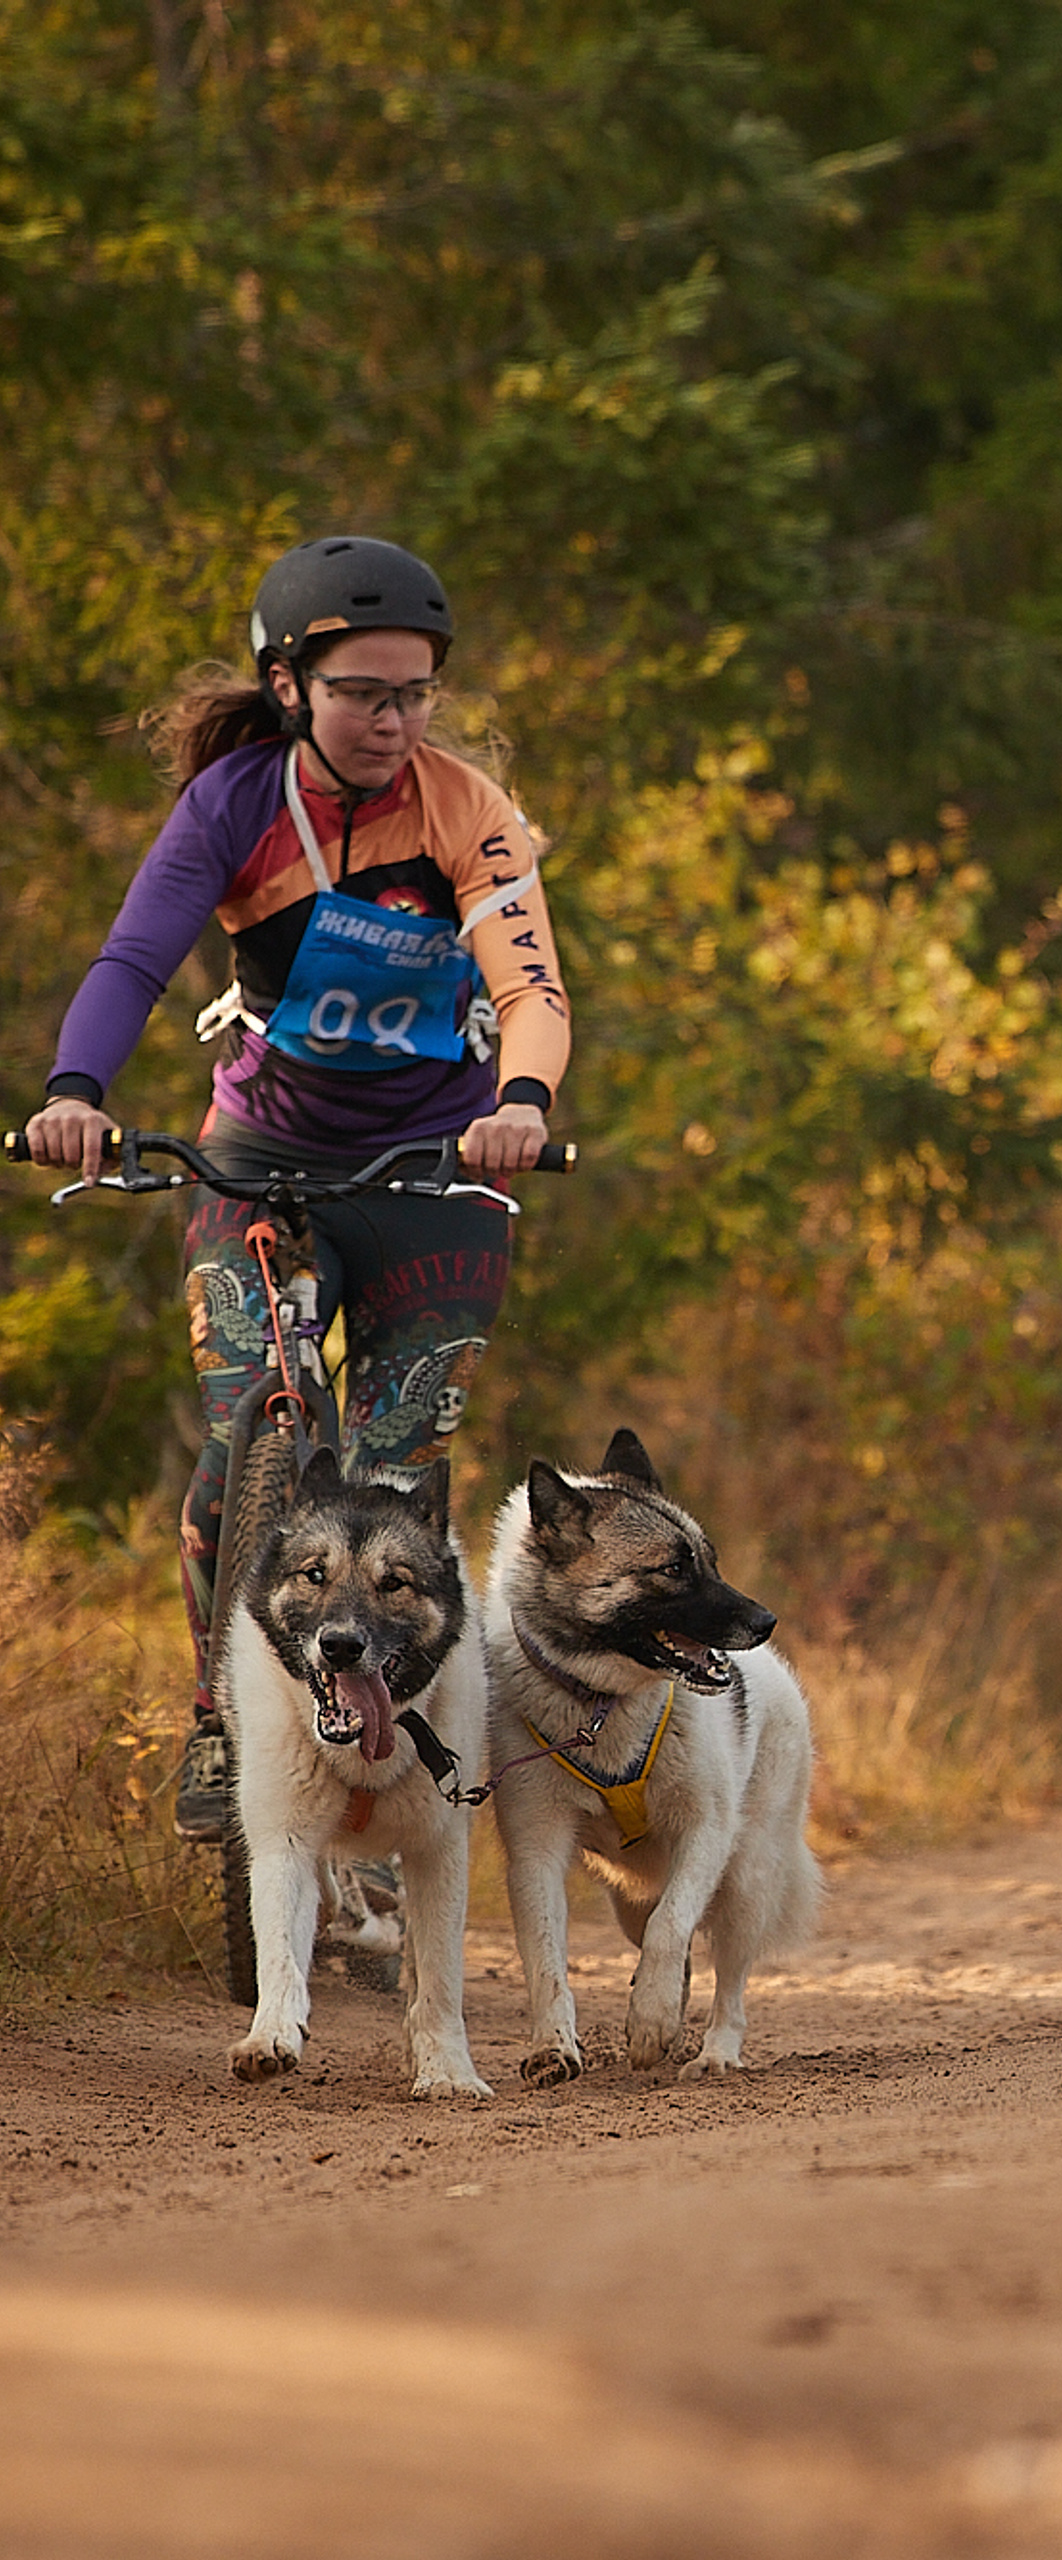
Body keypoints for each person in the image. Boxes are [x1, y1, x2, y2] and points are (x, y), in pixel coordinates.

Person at [23, 537, 571, 1833]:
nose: (394, 720)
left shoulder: (463, 807)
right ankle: (223, 1720)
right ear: (288, 685)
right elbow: (135, 959)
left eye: (416, 694)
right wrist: (75, 1094)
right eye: (363, 694)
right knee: (249, 1434)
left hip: (437, 1172)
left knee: (391, 1487)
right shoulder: (231, 806)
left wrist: (522, 1105)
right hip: (260, 1159)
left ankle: (385, 1803)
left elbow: (530, 987)